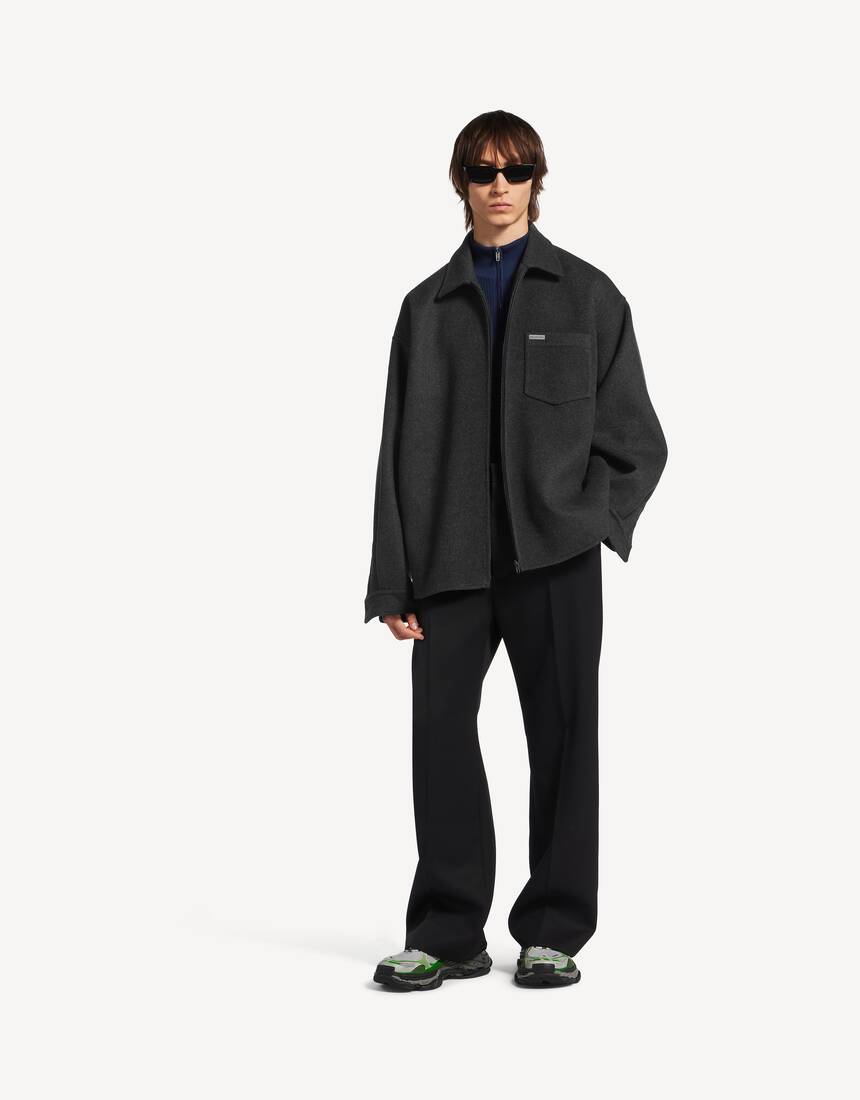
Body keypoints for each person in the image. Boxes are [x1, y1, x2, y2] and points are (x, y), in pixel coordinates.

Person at [365, 110, 668, 991]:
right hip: (449, 563)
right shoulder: (425, 309)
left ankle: (553, 929)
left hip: (555, 562)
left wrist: (589, 521)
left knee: (565, 739)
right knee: (440, 738)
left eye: (516, 170)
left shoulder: (588, 296)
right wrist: (391, 580)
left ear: (538, 181)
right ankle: (449, 929)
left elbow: (638, 442)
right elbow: (394, 452)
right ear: (460, 183)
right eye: (483, 171)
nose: (499, 186)